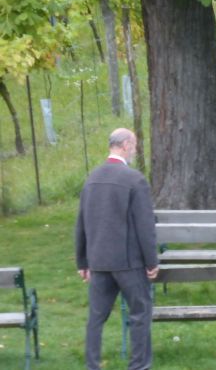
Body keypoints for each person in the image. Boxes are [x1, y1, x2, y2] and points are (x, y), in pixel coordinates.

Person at [75, 128, 159, 370]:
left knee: (96, 318)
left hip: (99, 261)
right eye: (133, 144)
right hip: (129, 262)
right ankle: (139, 366)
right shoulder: (135, 180)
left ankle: (92, 365)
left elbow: (81, 222)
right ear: (124, 145)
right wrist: (152, 261)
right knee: (140, 315)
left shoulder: (92, 178)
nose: (135, 149)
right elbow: (145, 226)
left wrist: (83, 261)